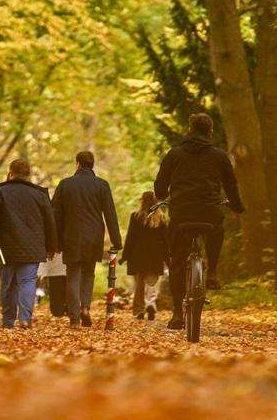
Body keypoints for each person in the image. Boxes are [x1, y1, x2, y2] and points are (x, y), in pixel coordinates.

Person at [153, 113, 244, 330]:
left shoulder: (174, 155)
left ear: (189, 130)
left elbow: (159, 185)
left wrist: (166, 195)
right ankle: (212, 271)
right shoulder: (219, 156)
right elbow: (231, 185)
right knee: (216, 229)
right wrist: (238, 207)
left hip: (182, 212)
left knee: (176, 263)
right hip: (209, 210)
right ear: (210, 132)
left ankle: (177, 314)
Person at [0, 159, 57, 329]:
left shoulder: (0, 193)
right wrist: (51, 247)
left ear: (10, 171)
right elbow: (50, 223)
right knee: (27, 282)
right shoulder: (39, 195)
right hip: (32, 248)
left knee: (8, 284)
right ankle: (25, 319)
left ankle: (8, 321)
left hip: (5, 248)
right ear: (28, 174)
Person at [52, 151, 122, 328]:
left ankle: (75, 317)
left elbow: (55, 215)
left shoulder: (65, 184)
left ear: (77, 164)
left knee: (73, 275)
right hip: (93, 237)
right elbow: (110, 214)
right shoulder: (101, 185)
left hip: (71, 236)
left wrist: (55, 242)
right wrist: (116, 240)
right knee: (88, 273)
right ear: (92, 165)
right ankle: (85, 308)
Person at [120, 191, 169, 321]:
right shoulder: (161, 218)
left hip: (138, 256)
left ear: (142, 201)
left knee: (139, 285)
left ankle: (139, 310)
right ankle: (150, 304)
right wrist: (167, 257)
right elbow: (165, 240)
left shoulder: (136, 216)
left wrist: (125, 256)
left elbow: (130, 238)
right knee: (151, 283)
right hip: (155, 256)